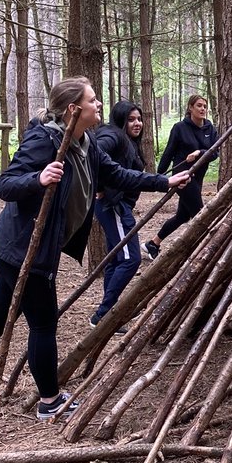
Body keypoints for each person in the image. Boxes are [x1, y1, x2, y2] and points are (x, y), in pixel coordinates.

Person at [0, 78, 190, 425]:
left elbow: (115, 174)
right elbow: (5, 184)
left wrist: (164, 182)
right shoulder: (45, 139)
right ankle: (49, 401)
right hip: (23, 249)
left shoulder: (84, 142)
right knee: (43, 324)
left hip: (26, 250)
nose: (99, 105)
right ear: (73, 109)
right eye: (93, 100)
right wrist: (37, 179)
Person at [91, 100, 149, 330]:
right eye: (131, 119)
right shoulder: (113, 136)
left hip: (118, 205)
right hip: (112, 206)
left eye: (139, 119)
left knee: (117, 259)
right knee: (130, 258)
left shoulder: (129, 143)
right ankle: (102, 315)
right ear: (121, 120)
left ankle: (108, 313)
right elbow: (94, 152)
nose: (137, 123)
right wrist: (100, 187)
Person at [142, 94, 218, 260]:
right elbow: (169, 152)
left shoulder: (210, 128)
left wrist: (199, 153)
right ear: (190, 107)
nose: (203, 109)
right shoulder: (179, 127)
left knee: (183, 216)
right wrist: (159, 177)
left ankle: (153, 244)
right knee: (200, 214)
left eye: (205, 106)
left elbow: (214, 153)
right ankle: (205, 251)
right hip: (183, 177)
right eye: (199, 105)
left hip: (198, 177)